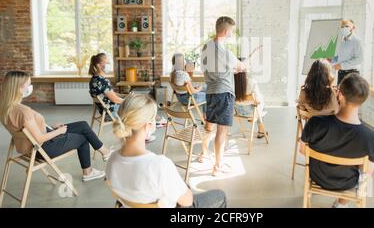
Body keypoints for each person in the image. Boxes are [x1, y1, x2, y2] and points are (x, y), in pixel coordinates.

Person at [105, 93, 227, 208]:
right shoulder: (159, 165)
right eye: (154, 118)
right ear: (147, 126)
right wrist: (184, 188)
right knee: (220, 196)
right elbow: (187, 201)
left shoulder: (112, 160)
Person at [0, 71, 112, 182]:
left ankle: (104, 152)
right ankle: (88, 172)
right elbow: (39, 139)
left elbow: (28, 130)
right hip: (44, 147)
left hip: (30, 145)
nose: (30, 87)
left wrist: (49, 127)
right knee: (83, 138)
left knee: (82, 125)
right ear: (19, 88)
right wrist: (59, 131)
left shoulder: (4, 109)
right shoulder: (23, 112)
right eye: (28, 84)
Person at [300, 73, 374, 208]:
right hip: (348, 183)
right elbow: (367, 173)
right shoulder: (372, 139)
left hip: (317, 177)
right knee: (367, 177)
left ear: (340, 95)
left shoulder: (315, 123)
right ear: (363, 100)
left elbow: (302, 150)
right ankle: (341, 204)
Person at [201, 16, 246, 176]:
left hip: (211, 92)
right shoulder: (224, 51)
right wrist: (242, 66)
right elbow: (241, 66)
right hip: (224, 93)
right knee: (222, 131)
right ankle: (218, 166)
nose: (231, 34)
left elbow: (213, 69)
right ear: (226, 31)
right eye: (231, 31)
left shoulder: (206, 47)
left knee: (209, 127)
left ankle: (204, 154)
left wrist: (229, 70)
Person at [88, 53, 156, 142]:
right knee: (140, 108)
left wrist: (125, 96)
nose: (108, 64)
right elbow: (115, 99)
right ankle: (145, 134)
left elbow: (111, 94)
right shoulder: (103, 81)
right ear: (98, 65)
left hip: (104, 110)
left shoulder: (94, 80)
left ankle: (148, 127)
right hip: (112, 111)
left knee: (137, 106)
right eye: (106, 62)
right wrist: (129, 100)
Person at [234, 71, 267, 139]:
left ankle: (253, 119)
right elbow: (258, 101)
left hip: (237, 112)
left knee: (259, 100)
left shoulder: (231, 83)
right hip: (251, 112)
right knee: (261, 101)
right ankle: (261, 131)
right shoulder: (252, 82)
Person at [330, 19, 363, 85]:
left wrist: (342, 65)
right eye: (342, 27)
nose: (344, 28)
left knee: (350, 95)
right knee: (340, 94)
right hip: (341, 73)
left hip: (352, 75)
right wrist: (332, 60)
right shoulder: (342, 42)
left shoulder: (357, 41)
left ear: (353, 27)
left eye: (346, 26)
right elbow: (341, 57)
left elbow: (359, 59)